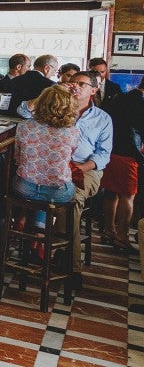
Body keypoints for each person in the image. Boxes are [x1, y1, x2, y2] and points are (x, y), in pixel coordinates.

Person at [19, 71, 111, 286]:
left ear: (94, 90)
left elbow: (103, 154)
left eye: (82, 84)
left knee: (73, 199)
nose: (76, 87)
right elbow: (23, 111)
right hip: (51, 170)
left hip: (86, 169)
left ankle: (69, 264)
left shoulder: (103, 119)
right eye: (73, 82)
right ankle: (50, 248)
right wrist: (54, 92)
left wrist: (83, 166)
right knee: (55, 192)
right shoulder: (54, 107)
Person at [13, 86, 81, 228]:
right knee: (50, 195)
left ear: (41, 103)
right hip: (58, 193)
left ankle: (33, 225)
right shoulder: (72, 132)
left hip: (24, 188)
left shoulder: (24, 126)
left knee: (38, 196)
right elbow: (70, 157)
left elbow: (17, 158)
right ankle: (40, 232)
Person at [99, 77, 144, 252]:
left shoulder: (117, 97)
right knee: (128, 195)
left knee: (110, 193)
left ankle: (108, 230)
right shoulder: (140, 103)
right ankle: (122, 236)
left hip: (110, 150)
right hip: (129, 153)